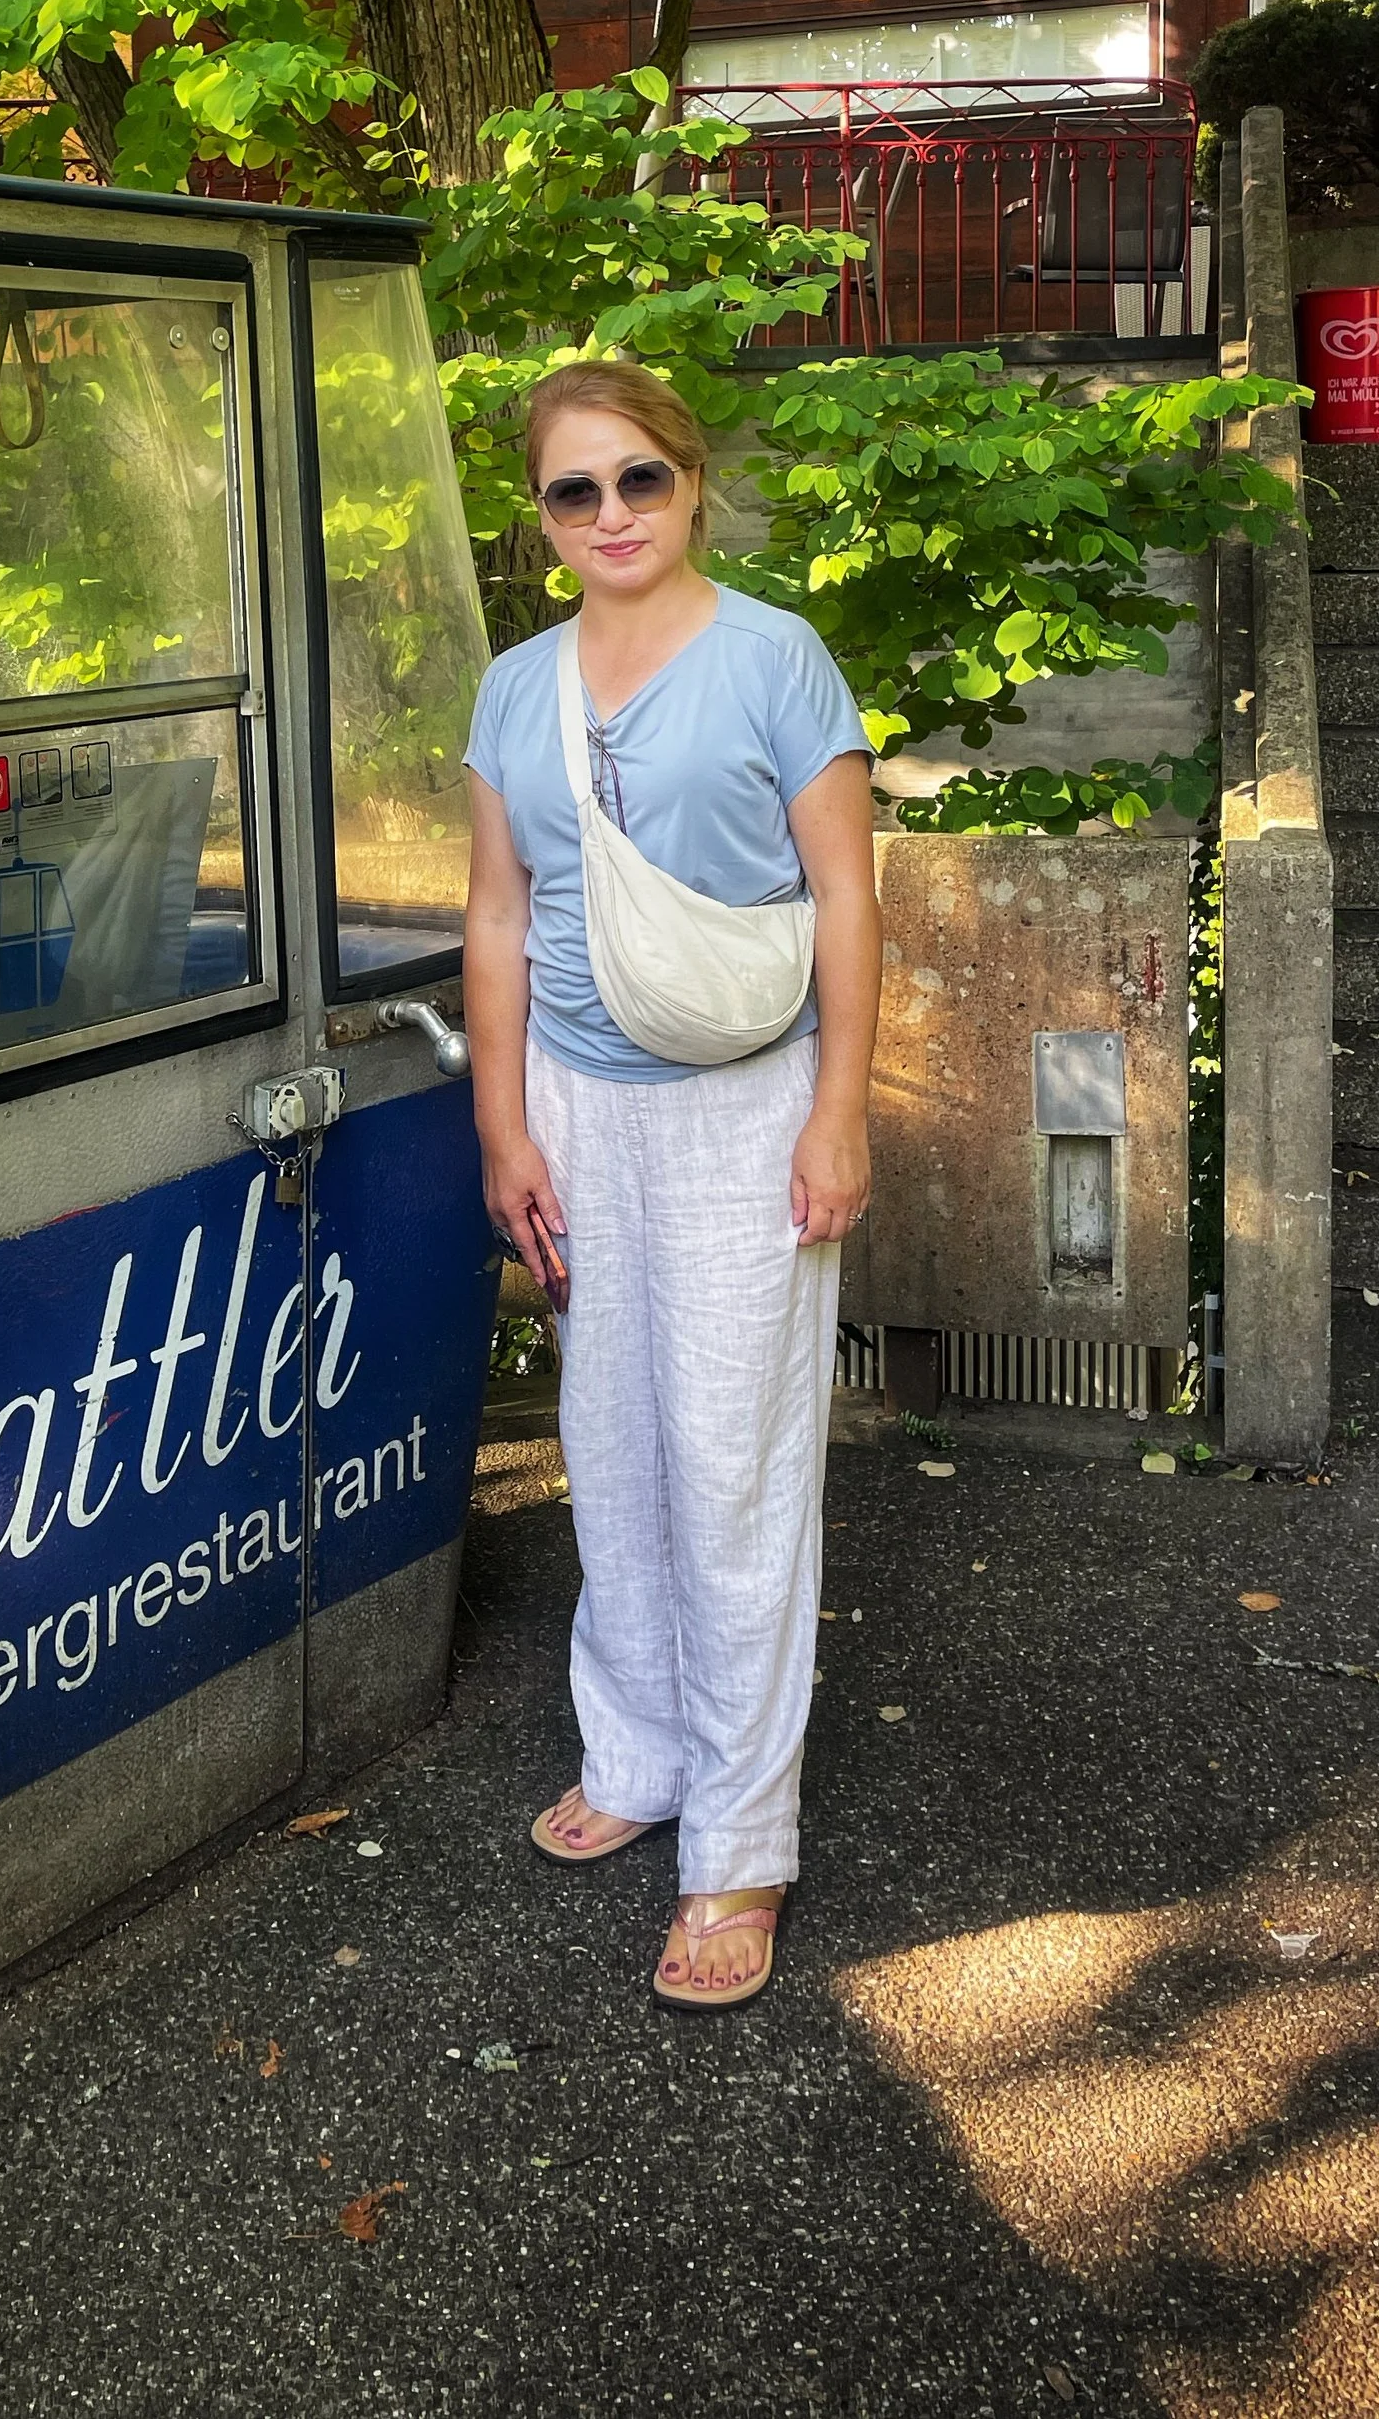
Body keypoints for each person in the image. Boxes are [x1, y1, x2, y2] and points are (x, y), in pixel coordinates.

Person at [462, 359, 880, 2011]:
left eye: (639, 480)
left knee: (735, 1464)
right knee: (609, 1445)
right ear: (544, 520)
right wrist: (505, 1129)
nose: (613, 515)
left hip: (741, 1110)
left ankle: (740, 1839)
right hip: (577, 1106)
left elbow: (846, 903)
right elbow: (498, 915)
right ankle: (634, 1751)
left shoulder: (778, 660)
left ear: (690, 484)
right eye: (578, 492)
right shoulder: (515, 688)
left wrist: (837, 1111)